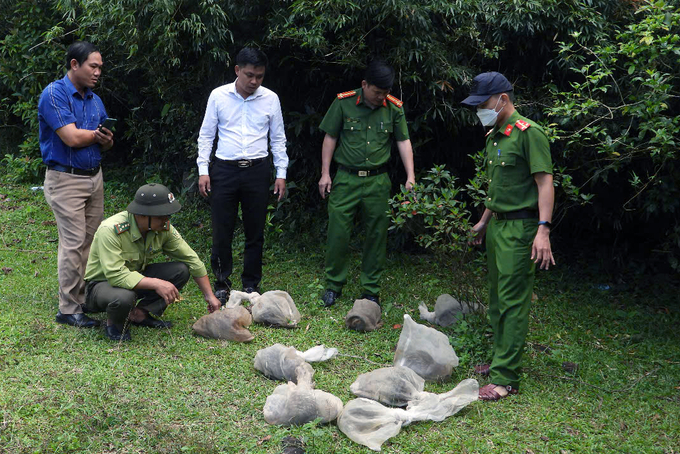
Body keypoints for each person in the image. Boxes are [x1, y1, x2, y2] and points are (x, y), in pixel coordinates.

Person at [462, 72, 555, 401]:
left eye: (483, 104)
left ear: (503, 98)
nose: (479, 110)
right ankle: (501, 360)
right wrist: (484, 221)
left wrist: (543, 229)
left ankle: (505, 379)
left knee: (514, 303)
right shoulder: (494, 136)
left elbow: (545, 182)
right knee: (499, 301)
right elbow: (496, 187)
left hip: (521, 229)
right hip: (498, 226)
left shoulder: (529, 134)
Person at [318, 59, 415, 307]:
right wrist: (325, 173)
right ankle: (333, 285)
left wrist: (410, 176)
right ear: (364, 85)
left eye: (385, 93)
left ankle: (371, 289)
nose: (381, 97)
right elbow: (330, 137)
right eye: (377, 92)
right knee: (338, 233)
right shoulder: (344, 102)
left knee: (376, 235)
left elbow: (403, 142)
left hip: (377, 181)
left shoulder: (393, 108)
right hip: (346, 178)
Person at [196, 47, 288, 303]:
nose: (254, 81)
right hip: (224, 169)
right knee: (222, 229)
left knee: (255, 230)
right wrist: (203, 170)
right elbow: (206, 135)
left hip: (258, 170)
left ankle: (251, 284)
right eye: (249, 75)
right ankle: (222, 282)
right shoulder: (218, 96)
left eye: (259, 76)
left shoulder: (270, 98)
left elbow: (278, 139)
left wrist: (281, 173)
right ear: (237, 70)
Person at [38, 41, 114, 328]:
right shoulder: (54, 94)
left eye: (100, 68)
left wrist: (106, 140)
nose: (97, 72)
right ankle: (68, 309)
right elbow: (71, 137)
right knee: (73, 243)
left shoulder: (95, 100)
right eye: (92, 66)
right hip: (65, 178)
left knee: (90, 244)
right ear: (74, 65)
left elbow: (103, 139)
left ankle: (83, 299)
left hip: (94, 177)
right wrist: (97, 136)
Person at [83, 183, 222, 341]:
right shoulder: (110, 230)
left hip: (135, 277)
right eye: (161, 216)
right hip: (102, 285)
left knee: (180, 270)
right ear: (142, 215)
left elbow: (192, 260)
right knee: (124, 296)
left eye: (168, 215)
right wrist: (157, 283)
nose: (166, 220)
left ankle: (139, 314)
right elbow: (116, 276)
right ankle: (115, 324)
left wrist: (209, 295)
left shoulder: (162, 228)